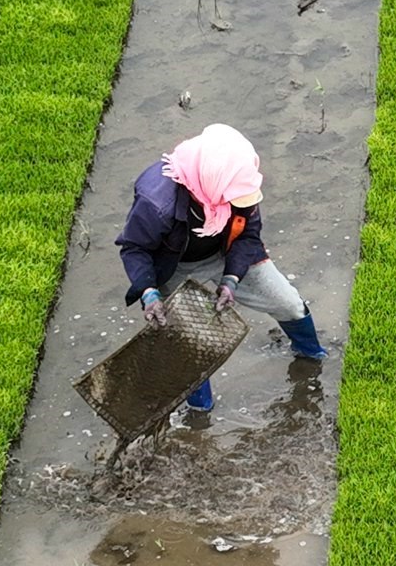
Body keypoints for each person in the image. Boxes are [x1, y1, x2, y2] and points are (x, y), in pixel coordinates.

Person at [118, 122, 328, 413]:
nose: (241, 205)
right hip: (174, 265)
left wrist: (231, 279)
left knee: (289, 303)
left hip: (225, 254)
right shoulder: (157, 202)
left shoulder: (240, 182)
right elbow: (134, 247)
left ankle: (312, 356)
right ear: (213, 182)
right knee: (188, 342)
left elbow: (248, 235)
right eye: (235, 200)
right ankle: (200, 413)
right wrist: (149, 292)